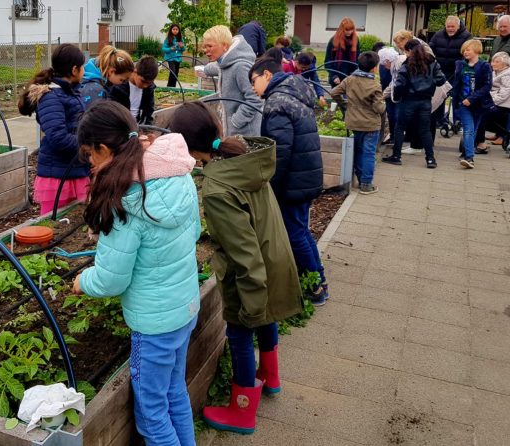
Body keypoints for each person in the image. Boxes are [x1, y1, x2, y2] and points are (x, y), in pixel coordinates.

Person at [170, 103, 303, 435]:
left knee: (241, 332)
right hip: (273, 257)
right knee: (266, 317)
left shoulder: (217, 188)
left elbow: (243, 253)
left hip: (252, 271)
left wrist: (251, 301)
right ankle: (269, 377)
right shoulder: (244, 156)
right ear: (216, 125)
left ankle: (242, 411)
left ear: (185, 145)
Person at [73, 101, 200, 446]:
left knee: (152, 415)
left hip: (154, 324)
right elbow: (194, 232)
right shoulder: (177, 173)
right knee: (175, 392)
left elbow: (113, 280)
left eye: (90, 156)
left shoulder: (126, 200)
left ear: (102, 148)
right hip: (185, 307)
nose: (90, 164)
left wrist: (82, 281)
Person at [248, 57, 328, 304]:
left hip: (294, 181)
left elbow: (279, 152)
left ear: (267, 75)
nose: (253, 88)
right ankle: (318, 279)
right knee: (301, 231)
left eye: (254, 81)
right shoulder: (294, 92)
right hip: (305, 175)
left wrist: (268, 186)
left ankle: (315, 286)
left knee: (295, 234)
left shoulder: (277, 103)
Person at [19, 44, 89, 215]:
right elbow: (58, 137)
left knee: (76, 222)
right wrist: (88, 145)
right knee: (55, 223)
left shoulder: (70, 92)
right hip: (58, 175)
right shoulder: (51, 97)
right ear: (74, 70)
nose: (84, 71)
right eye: (83, 67)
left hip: (75, 168)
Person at [382, 39, 446, 169]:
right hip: (425, 100)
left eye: (405, 51)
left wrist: (398, 97)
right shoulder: (432, 62)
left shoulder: (406, 65)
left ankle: (396, 156)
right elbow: (441, 80)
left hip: (408, 100)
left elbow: (399, 84)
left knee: (400, 127)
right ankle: (430, 159)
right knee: (425, 130)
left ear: (409, 51)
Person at [331, 51, 386, 194]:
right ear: (374, 68)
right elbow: (379, 108)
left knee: (357, 150)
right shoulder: (374, 84)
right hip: (370, 124)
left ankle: (359, 178)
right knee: (368, 153)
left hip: (353, 122)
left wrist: (345, 105)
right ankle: (366, 184)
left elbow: (334, 93)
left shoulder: (349, 80)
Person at [199, 25, 262, 136]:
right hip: (234, 132)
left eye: (209, 46)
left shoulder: (240, 67)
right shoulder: (225, 61)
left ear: (224, 45)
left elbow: (255, 99)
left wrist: (236, 121)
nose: (206, 50)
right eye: (205, 47)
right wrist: (204, 70)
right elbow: (217, 67)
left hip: (245, 133)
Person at [451, 39, 492, 168]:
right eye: (463, 50)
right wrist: (455, 99)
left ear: (476, 50)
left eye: (468, 50)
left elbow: (487, 86)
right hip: (464, 104)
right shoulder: (460, 65)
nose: (465, 52)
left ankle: (465, 152)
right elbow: (456, 83)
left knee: (473, 130)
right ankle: (470, 158)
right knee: (468, 129)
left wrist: (472, 99)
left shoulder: (484, 66)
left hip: (479, 105)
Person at [482, 51, 510, 147]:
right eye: (493, 61)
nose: (492, 63)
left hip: (503, 105)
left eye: (496, 62)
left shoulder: (508, 74)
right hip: (496, 102)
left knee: (481, 113)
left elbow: (503, 94)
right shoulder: (497, 71)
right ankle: (481, 137)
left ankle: (499, 136)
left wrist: (488, 101)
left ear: (505, 64)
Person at [109, 55, 159, 124]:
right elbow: (113, 114)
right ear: (135, 71)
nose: (145, 86)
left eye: (149, 83)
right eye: (143, 81)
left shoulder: (149, 89)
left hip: (138, 127)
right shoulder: (118, 87)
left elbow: (149, 111)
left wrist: (148, 130)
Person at [429, 16, 472, 83]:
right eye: (448, 27)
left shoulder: (467, 36)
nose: (450, 29)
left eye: (452, 26)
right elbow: (430, 50)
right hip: (439, 70)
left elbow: (468, 54)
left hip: (456, 72)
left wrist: (460, 67)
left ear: (458, 26)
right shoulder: (438, 35)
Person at [325, 17, 359, 87]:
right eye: (346, 30)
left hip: (351, 76)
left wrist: (355, 75)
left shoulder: (356, 40)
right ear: (342, 29)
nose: (349, 32)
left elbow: (357, 59)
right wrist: (334, 76)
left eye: (351, 30)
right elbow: (328, 61)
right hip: (336, 76)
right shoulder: (333, 41)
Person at [162, 24, 184, 88]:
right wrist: (170, 49)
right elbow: (163, 49)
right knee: (173, 73)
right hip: (170, 58)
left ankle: (172, 87)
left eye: (176, 29)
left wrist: (182, 46)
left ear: (179, 31)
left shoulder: (180, 39)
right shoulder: (168, 39)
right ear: (171, 30)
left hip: (178, 58)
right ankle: (169, 86)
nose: (175, 31)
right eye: (173, 29)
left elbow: (183, 49)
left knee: (175, 74)